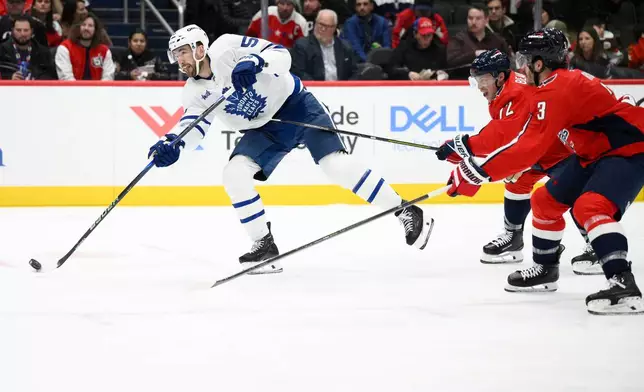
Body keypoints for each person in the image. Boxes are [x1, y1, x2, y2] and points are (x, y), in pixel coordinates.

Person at [147, 25, 435, 274]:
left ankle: (406, 211)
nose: (178, 60)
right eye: (176, 55)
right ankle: (264, 246)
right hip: (264, 128)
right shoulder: (193, 91)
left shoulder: (226, 48)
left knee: (336, 166)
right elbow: (192, 128)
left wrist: (255, 62)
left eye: (183, 52)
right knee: (234, 173)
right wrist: (174, 145)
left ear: (200, 48)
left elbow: (281, 54)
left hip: (296, 106)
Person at [443, 28, 644, 315]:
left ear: (540, 63)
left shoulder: (556, 88)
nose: (521, 67)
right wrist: (473, 159)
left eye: (525, 59)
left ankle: (623, 284)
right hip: (593, 152)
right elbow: (522, 138)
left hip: (628, 150)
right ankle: (546, 270)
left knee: (590, 206)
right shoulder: (551, 86)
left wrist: (475, 172)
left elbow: (528, 147)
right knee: (544, 201)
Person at [435, 49, 590, 270]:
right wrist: (463, 148)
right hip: (537, 150)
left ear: (499, 76)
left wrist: (464, 146)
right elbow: (505, 135)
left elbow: (503, 136)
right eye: (476, 80)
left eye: (483, 79)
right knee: (517, 182)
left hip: (560, 150)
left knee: (573, 193)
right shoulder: (503, 91)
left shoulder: (516, 92)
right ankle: (513, 238)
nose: (479, 86)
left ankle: (594, 245)